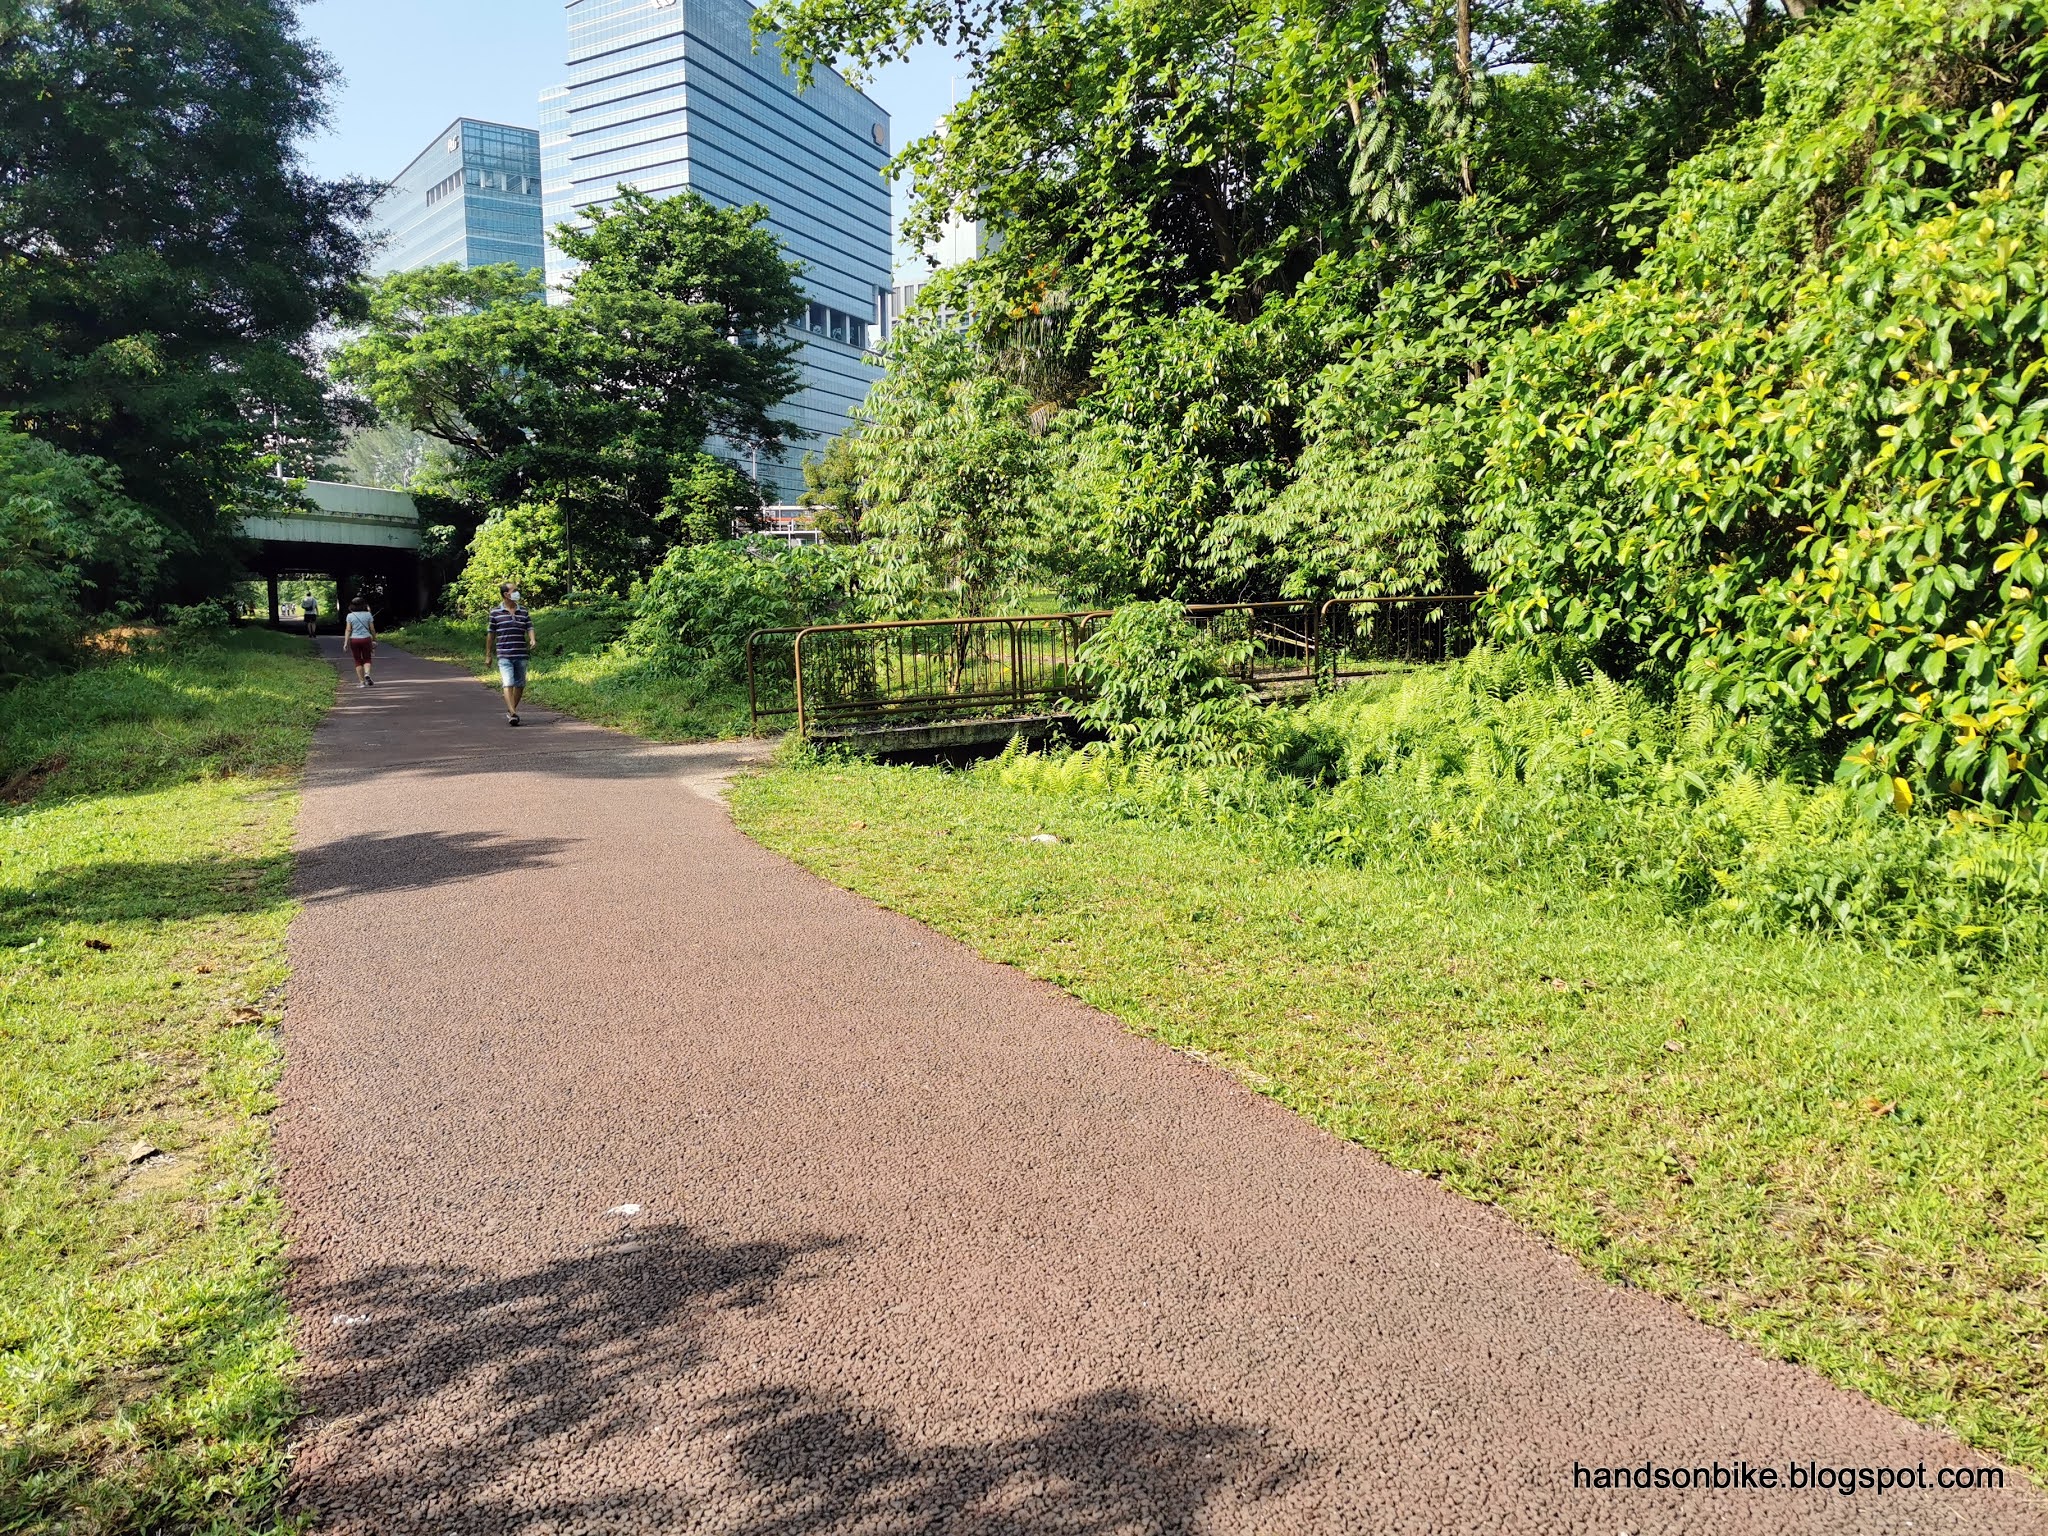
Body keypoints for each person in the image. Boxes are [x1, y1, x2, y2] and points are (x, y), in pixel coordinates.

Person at [485, 581, 535, 726]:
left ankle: (511, 710)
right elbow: (490, 634)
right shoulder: (495, 612)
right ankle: (513, 713)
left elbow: (529, 626)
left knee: (520, 684)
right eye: (514, 591)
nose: (517, 593)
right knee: (508, 682)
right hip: (504, 654)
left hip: (521, 653)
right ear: (506, 594)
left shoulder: (524, 611)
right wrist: (488, 655)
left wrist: (532, 639)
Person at [344, 595, 378, 688]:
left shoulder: (350, 616)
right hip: (366, 639)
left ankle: (361, 682)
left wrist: (346, 643)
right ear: (364, 605)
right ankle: (367, 674)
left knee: (358, 660)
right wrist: (374, 639)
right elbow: (372, 629)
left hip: (354, 640)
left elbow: (348, 630)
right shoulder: (368, 615)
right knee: (367, 658)